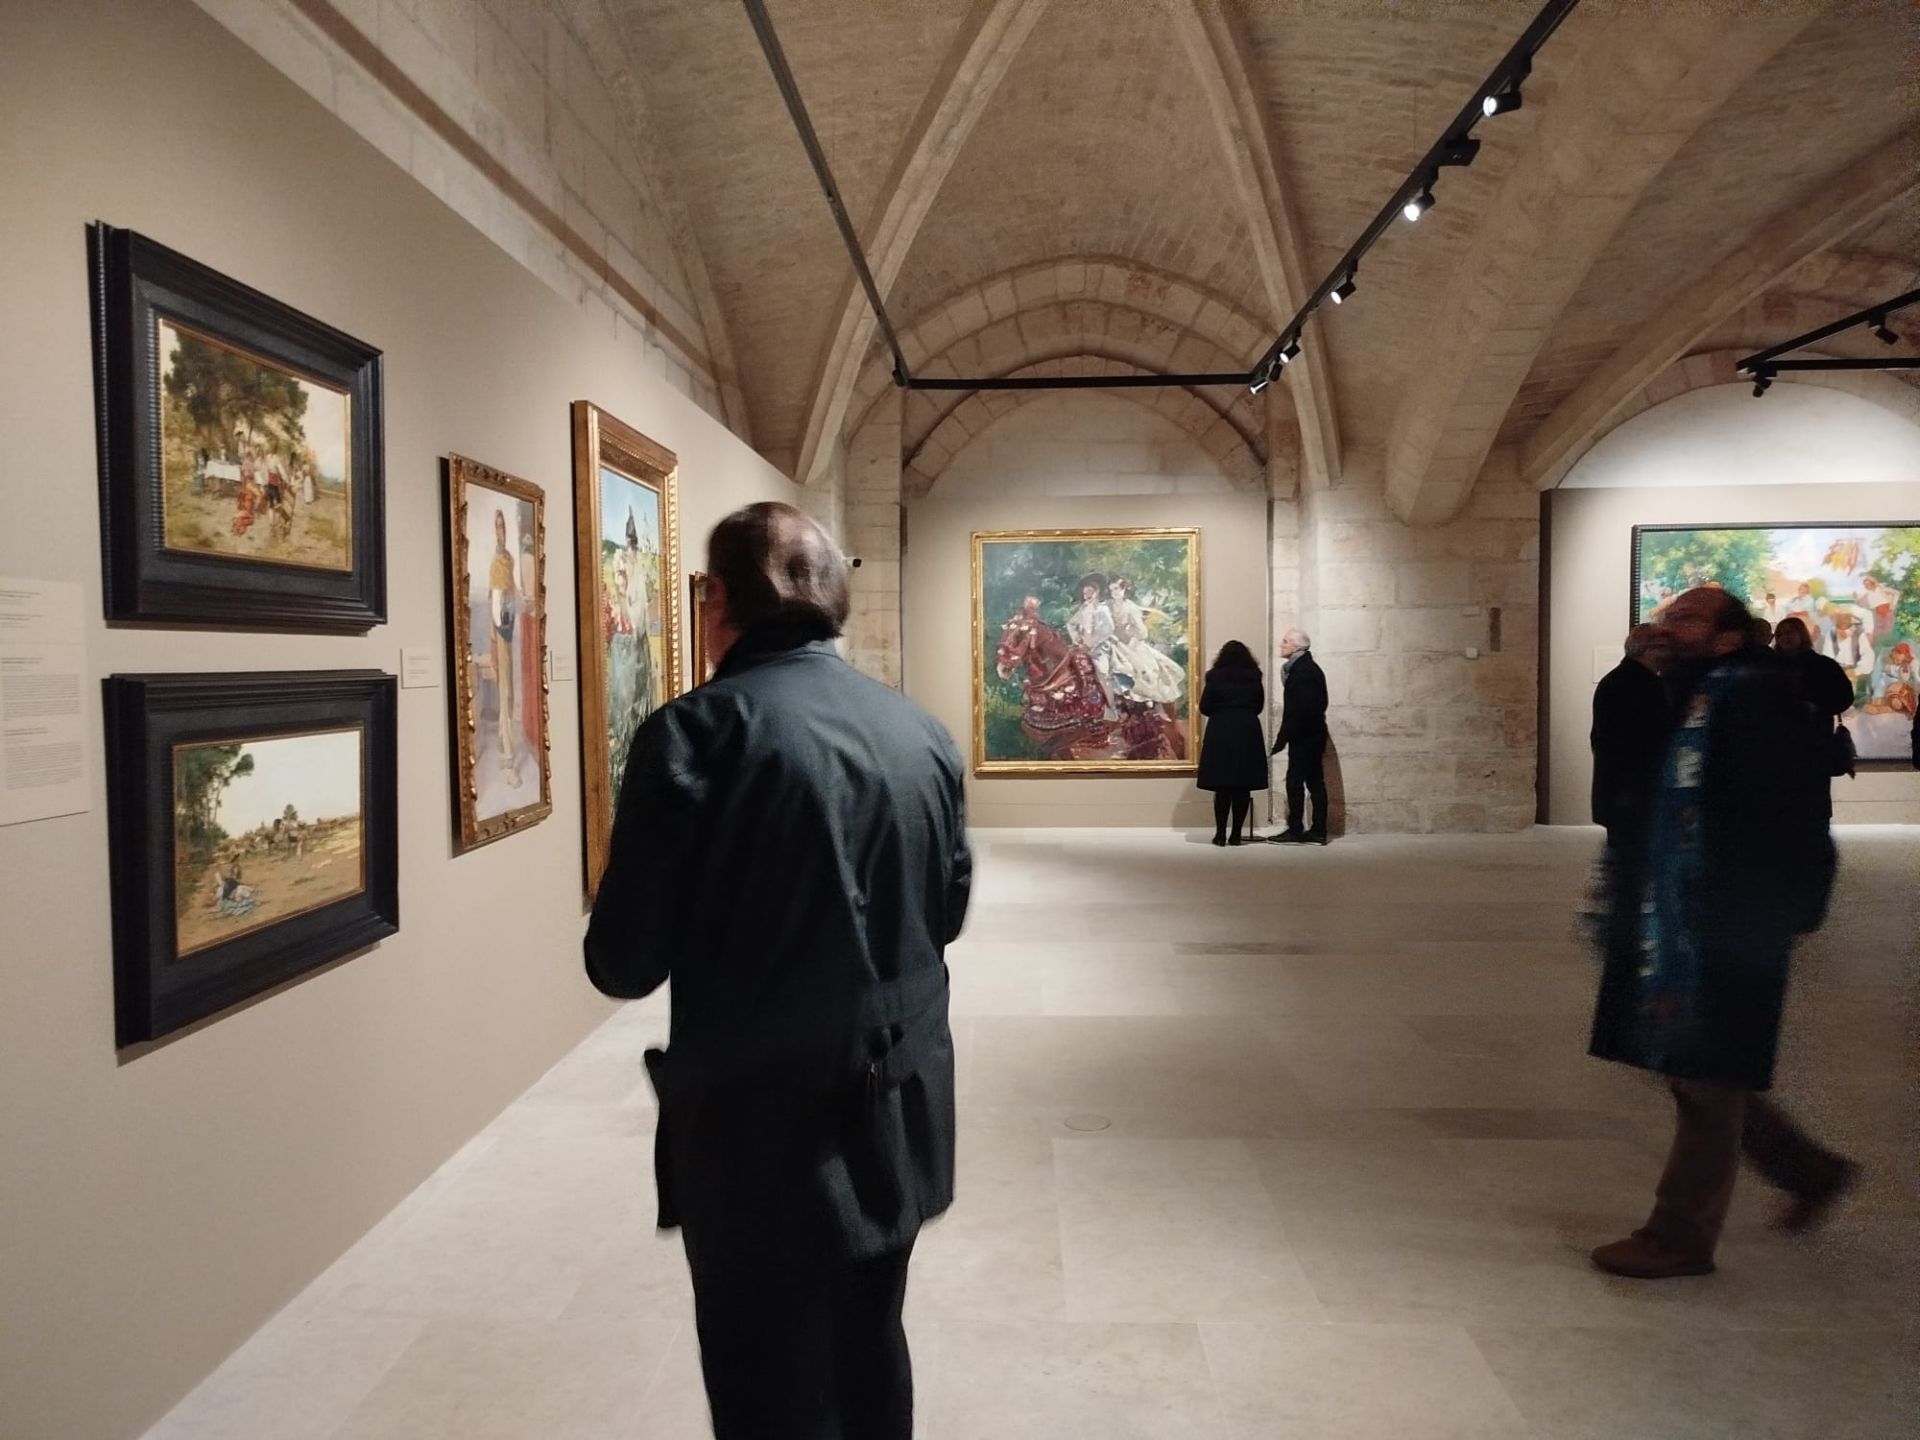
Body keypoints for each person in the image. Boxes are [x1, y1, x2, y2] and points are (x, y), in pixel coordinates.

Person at [584, 502, 971, 1440]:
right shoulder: (917, 730)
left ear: (717, 600)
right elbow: (946, 913)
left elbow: (624, 963)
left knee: (765, 1379)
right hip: (902, 1105)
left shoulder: (696, 733)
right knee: (871, 1348)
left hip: (764, 1132)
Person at [1587, 587, 1844, 1279]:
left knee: (1705, 1077)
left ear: (1729, 638)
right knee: (1697, 1066)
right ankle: (1808, 1169)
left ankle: (1680, 1237)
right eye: (1669, 616)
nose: (1671, 626)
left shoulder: (1753, 702)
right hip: (1687, 915)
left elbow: (1787, 812)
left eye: (1689, 619)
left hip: (1727, 919)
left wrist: (1780, 909)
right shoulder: (1690, 696)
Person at [1589, 623, 1672, 855]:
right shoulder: (1634, 684)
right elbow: (1628, 741)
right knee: (1629, 859)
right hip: (1631, 791)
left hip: (1625, 790)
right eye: (1662, 645)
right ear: (1648, 649)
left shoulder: (1626, 680)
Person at [1197, 640, 1267, 846]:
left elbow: (1205, 706)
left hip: (1221, 730)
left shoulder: (1215, 676)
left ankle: (1220, 834)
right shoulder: (1254, 676)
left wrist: (1222, 712)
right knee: (1242, 786)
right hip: (1247, 730)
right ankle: (1236, 834)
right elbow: (1259, 705)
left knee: (1222, 785)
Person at [1268, 627, 1329, 845]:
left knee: (1296, 782)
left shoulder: (1302, 672)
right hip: (1310, 734)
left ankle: (1297, 829)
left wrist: (1281, 740)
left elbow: (1297, 711)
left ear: (1297, 646)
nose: (1281, 645)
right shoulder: (1304, 669)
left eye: (1285, 641)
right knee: (1314, 781)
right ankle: (1317, 830)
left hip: (1305, 737)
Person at [1105, 576, 1185, 710]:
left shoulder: (1130, 607)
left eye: (1117, 589)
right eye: (1111, 589)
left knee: (1142, 670)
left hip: (1127, 643)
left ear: (1124, 589)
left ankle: (1143, 700)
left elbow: (1142, 632)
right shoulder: (1107, 605)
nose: (1114, 592)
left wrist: (1127, 634)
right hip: (1109, 640)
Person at [487, 507, 522, 787]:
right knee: (506, 692)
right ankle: (507, 756)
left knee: (510, 694)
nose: (501, 531)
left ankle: (504, 745)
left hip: (510, 628)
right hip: (502, 632)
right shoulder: (497, 562)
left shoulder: (508, 558)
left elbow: (512, 594)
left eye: (503, 526)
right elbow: (497, 603)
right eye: (497, 527)